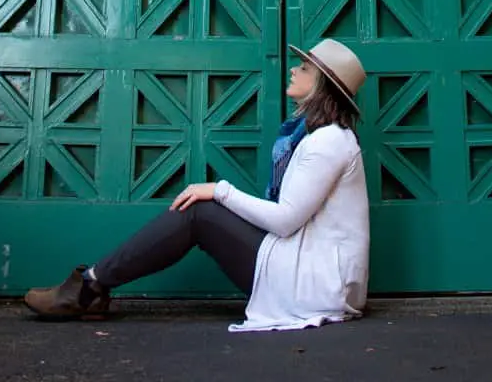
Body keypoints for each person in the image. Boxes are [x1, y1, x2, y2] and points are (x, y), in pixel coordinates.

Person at [24, 38, 370, 332]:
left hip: (316, 288)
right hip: (312, 275)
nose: (294, 69)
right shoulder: (319, 138)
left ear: (323, 84)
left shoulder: (328, 141)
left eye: (305, 68)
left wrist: (219, 190)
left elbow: (285, 219)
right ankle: (92, 286)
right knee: (205, 209)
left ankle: (88, 289)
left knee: (200, 212)